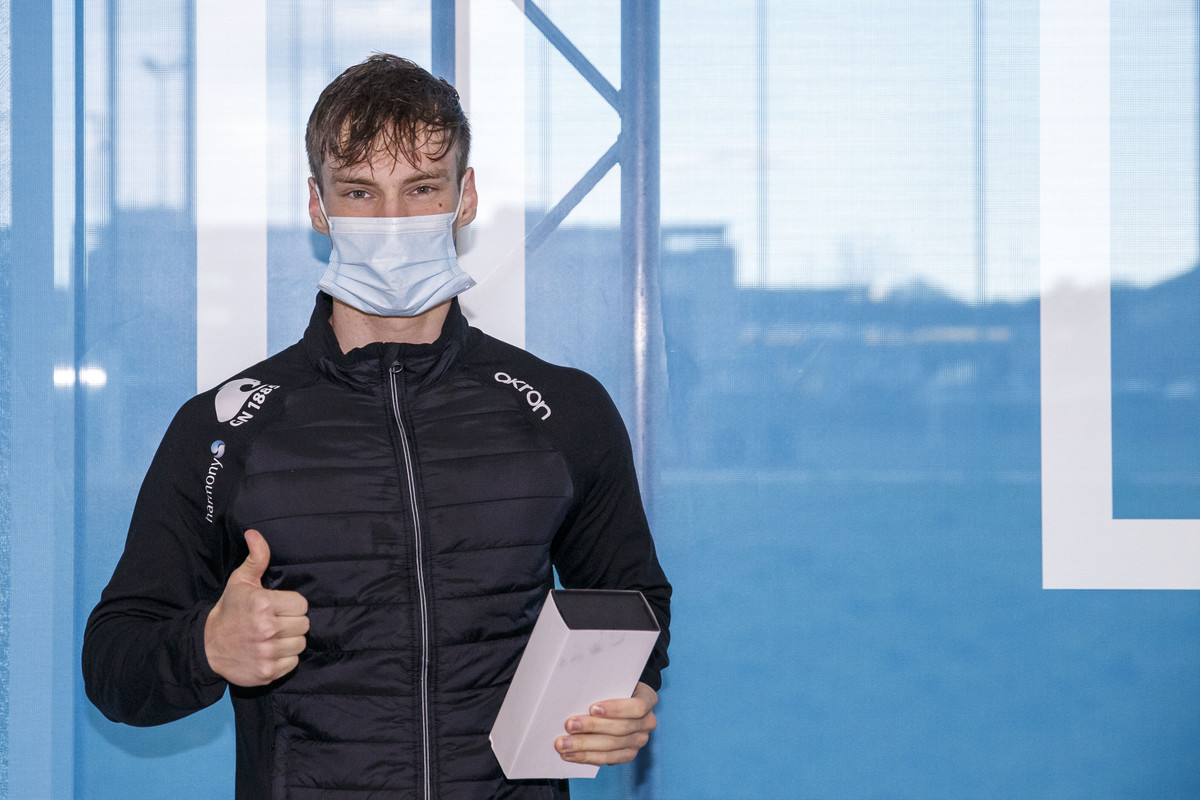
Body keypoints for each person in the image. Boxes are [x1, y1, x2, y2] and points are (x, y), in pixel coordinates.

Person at [82, 53, 671, 799]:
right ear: (317, 206)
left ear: (465, 198)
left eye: (421, 189)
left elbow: (634, 604)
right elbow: (114, 662)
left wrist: (625, 698)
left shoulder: (563, 409)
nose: (393, 223)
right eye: (360, 192)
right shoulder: (226, 428)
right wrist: (207, 646)